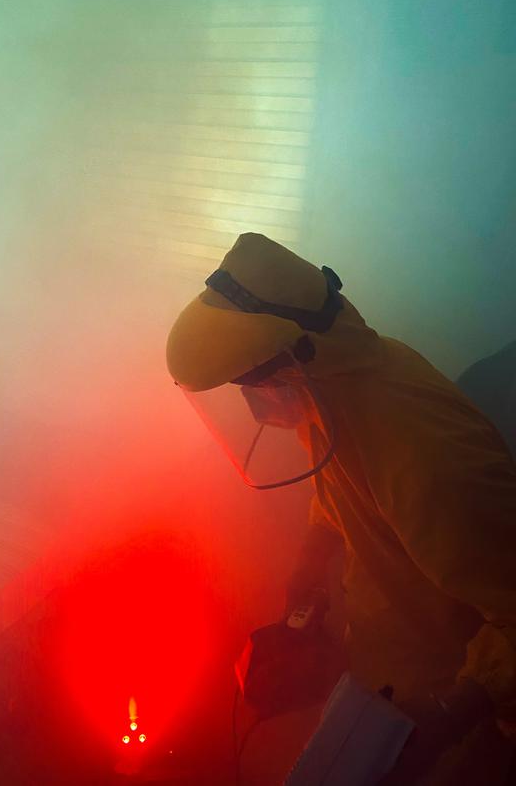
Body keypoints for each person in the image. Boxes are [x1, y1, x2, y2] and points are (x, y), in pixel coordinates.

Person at [166, 233, 516, 784]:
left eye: (253, 381)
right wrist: (310, 564)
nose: (251, 401)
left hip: (460, 717)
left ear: (298, 356)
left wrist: (450, 716)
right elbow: (345, 496)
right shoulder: (335, 397)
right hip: (389, 681)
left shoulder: (421, 454)